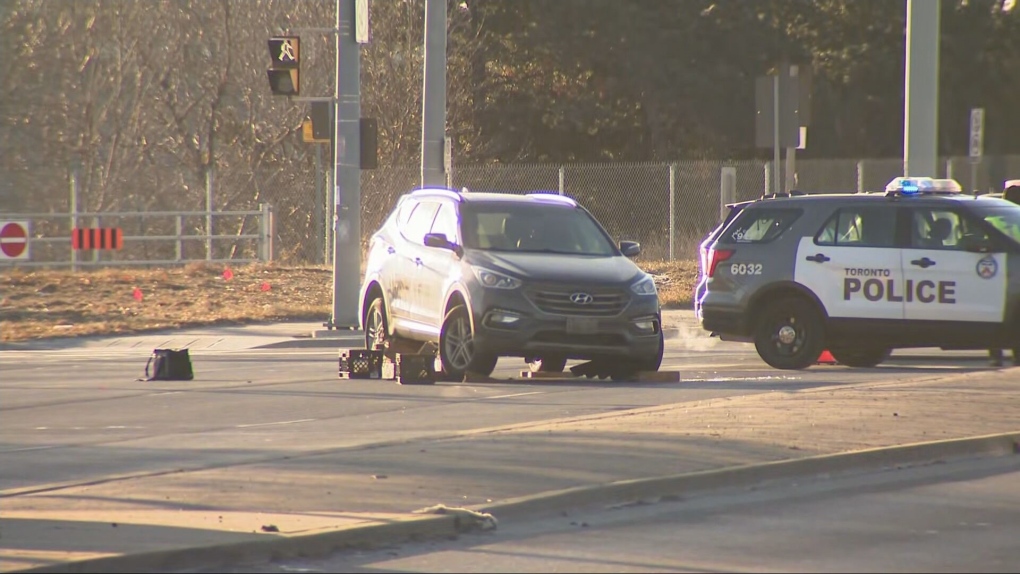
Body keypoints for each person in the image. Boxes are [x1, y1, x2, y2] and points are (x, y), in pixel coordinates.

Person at [989, 182, 1020, 367]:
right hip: (1013, 273)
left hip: (992, 273)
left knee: (997, 315)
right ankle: (1016, 355)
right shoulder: (1016, 218)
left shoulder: (991, 219)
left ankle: (995, 354)